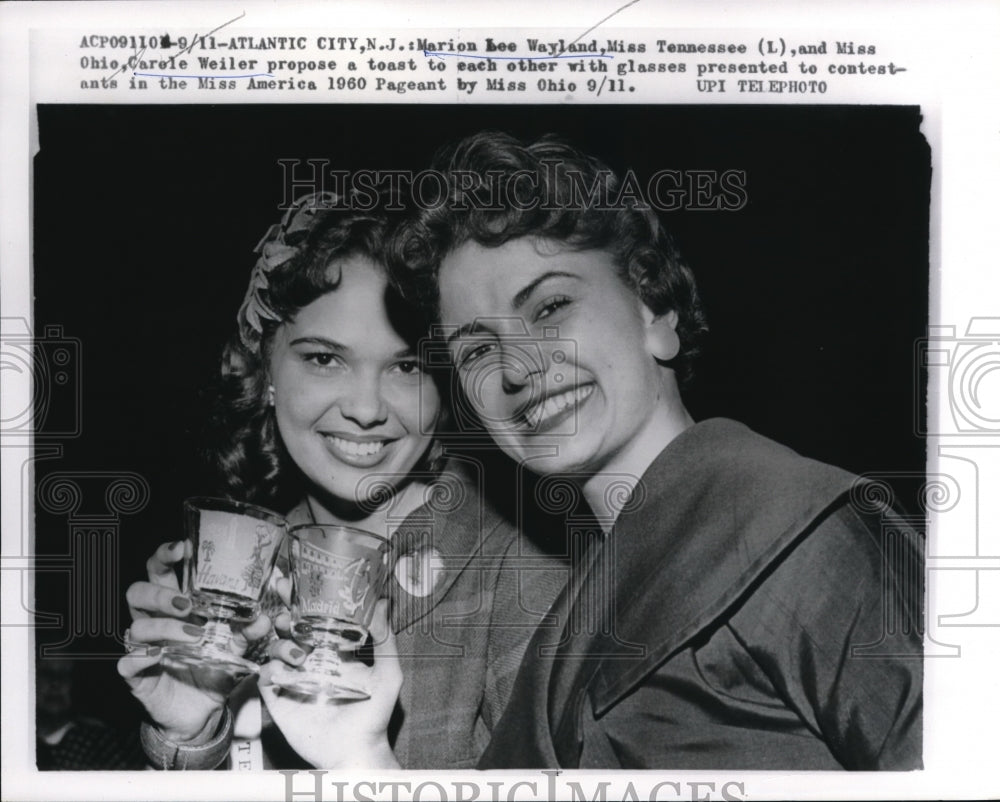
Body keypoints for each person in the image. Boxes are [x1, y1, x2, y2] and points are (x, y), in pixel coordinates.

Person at [390, 131, 924, 770]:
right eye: (476, 350)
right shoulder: (567, 624)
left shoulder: (802, 531)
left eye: (551, 306)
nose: (517, 367)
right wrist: (360, 748)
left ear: (656, 310)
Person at [117, 192, 567, 770]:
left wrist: (367, 767)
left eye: (408, 367)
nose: (364, 408)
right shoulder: (237, 576)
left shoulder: (525, 569)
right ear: (266, 369)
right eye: (324, 359)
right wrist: (190, 736)